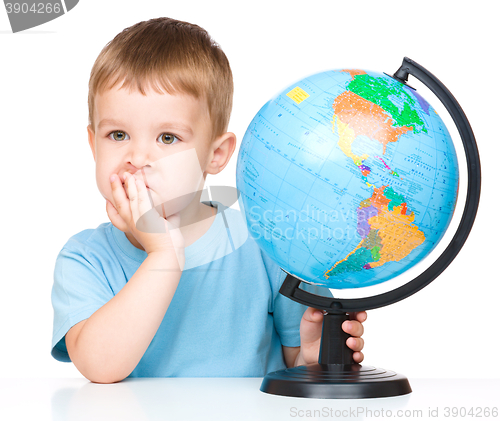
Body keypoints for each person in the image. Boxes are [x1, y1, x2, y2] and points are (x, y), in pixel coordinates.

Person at [50, 17, 366, 384]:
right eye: (117, 134)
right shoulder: (85, 258)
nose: (137, 157)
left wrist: (312, 359)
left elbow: (298, 362)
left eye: (167, 138)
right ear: (93, 145)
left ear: (215, 155)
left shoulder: (263, 243)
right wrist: (163, 255)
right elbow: (101, 367)